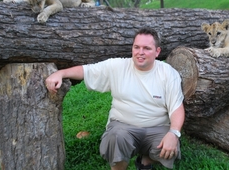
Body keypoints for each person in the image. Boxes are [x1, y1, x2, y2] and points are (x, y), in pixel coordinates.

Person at [45, 27, 185, 170]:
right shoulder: (118, 66)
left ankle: (145, 162)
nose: (140, 52)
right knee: (116, 139)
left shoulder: (168, 73)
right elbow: (86, 70)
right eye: (136, 47)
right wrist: (61, 73)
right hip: (123, 126)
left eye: (147, 48)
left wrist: (173, 133)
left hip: (157, 127)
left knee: (169, 148)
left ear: (157, 52)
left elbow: (176, 108)